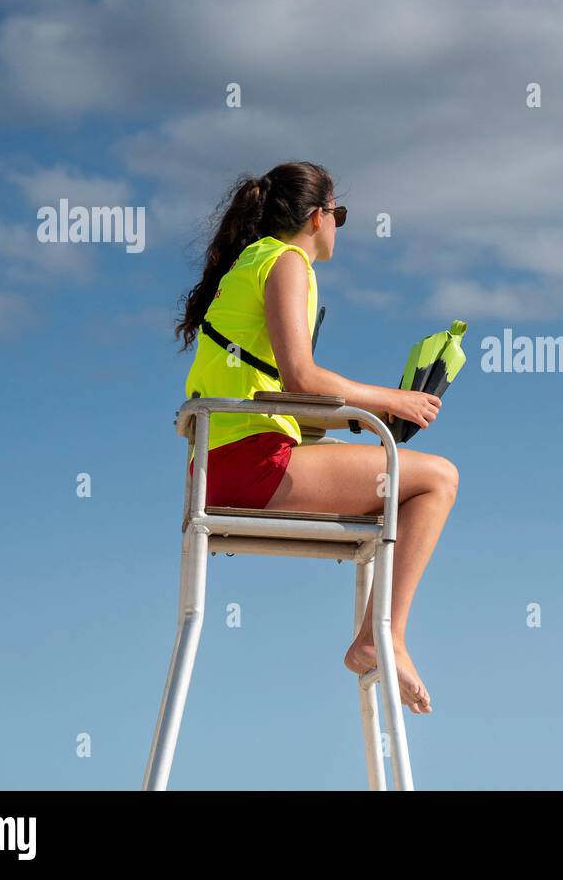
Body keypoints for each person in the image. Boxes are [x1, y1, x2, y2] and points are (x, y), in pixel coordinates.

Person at [174, 161, 458, 714]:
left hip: (222, 461)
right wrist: (393, 401)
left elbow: (285, 399)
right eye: (340, 215)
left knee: (395, 465)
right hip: (250, 465)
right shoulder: (287, 262)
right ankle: (381, 636)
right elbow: (302, 378)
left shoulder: (251, 263)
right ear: (316, 216)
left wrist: (363, 421)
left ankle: (379, 635)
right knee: (437, 480)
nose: (337, 228)